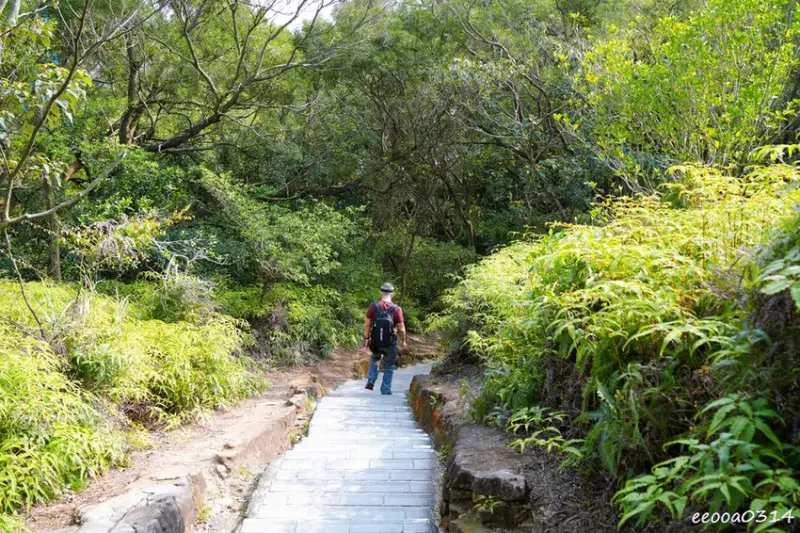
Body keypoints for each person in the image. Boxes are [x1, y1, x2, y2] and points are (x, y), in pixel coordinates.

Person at [364, 282, 406, 394]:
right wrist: (403, 341)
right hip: (389, 343)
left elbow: (367, 324)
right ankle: (385, 390)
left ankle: (371, 380)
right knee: (389, 365)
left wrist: (366, 338)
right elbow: (401, 329)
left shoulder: (374, 306)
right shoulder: (396, 309)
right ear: (392, 294)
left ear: (380, 292)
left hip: (376, 342)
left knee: (375, 358)